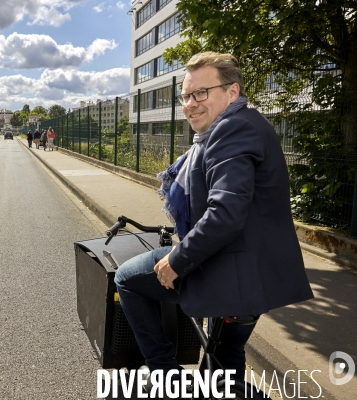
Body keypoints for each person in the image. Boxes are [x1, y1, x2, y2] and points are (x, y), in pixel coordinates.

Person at [114, 52, 313, 392]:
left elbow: (225, 214)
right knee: (223, 361)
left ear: (231, 92)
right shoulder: (248, 123)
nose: (190, 104)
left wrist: (177, 261)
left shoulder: (230, 130)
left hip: (230, 271)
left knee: (127, 278)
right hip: (253, 273)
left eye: (201, 93)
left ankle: (165, 373)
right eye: (186, 96)